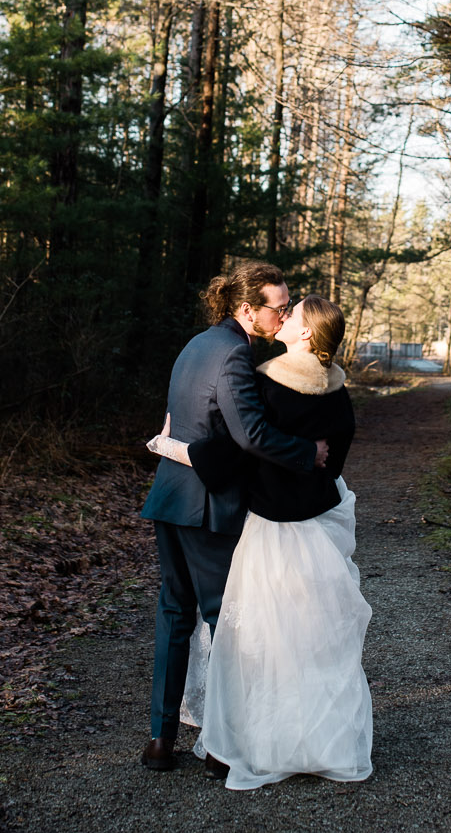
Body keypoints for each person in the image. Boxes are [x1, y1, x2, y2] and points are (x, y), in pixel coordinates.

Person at [148, 295, 371, 790]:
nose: (284, 318)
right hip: (312, 533)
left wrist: (171, 447)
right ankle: (313, 738)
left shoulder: (270, 382)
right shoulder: (337, 393)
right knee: (308, 641)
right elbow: (330, 468)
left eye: (292, 315)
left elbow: (236, 448)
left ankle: (238, 742)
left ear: (307, 333)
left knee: (250, 637)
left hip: (269, 532)